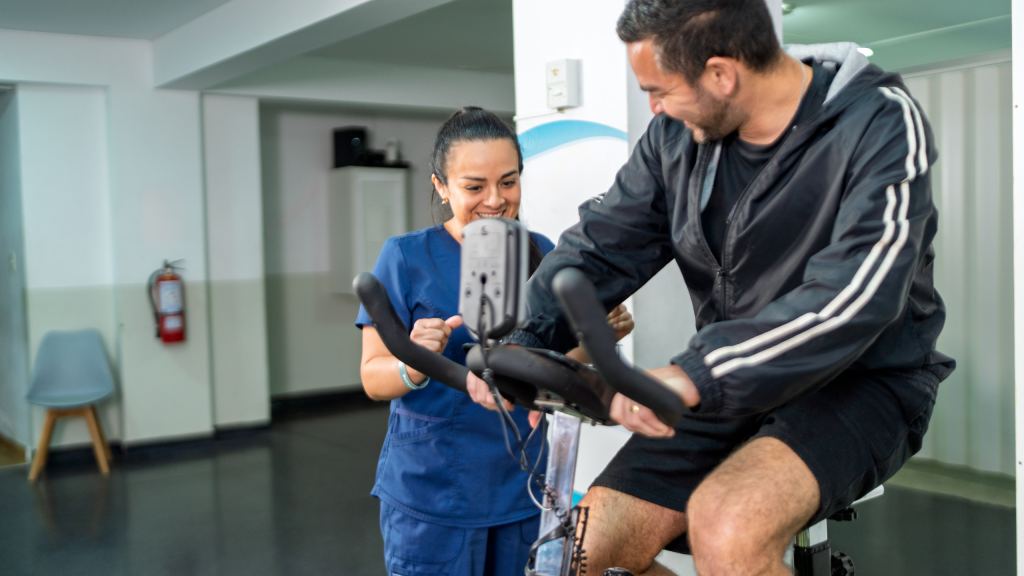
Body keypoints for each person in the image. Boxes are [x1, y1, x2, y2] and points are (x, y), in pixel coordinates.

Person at [467, 1, 955, 575]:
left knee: (725, 525)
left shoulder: (879, 122)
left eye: (659, 89)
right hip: (727, 386)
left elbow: (856, 295)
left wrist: (694, 374)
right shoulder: (675, 138)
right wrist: (523, 339)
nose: (653, 107)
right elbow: (602, 245)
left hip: (860, 382)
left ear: (722, 74)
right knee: (579, 555)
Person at [356, 107, 634, 576]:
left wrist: (596, 334)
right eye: (474, 186)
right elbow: (372, 377)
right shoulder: (405, 257)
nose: (495, 200)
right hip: (432, 491)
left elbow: (558, 364)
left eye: (508, 182)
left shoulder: (542, 252)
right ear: (441, 187)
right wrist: (415, 362)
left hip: (523, 488)